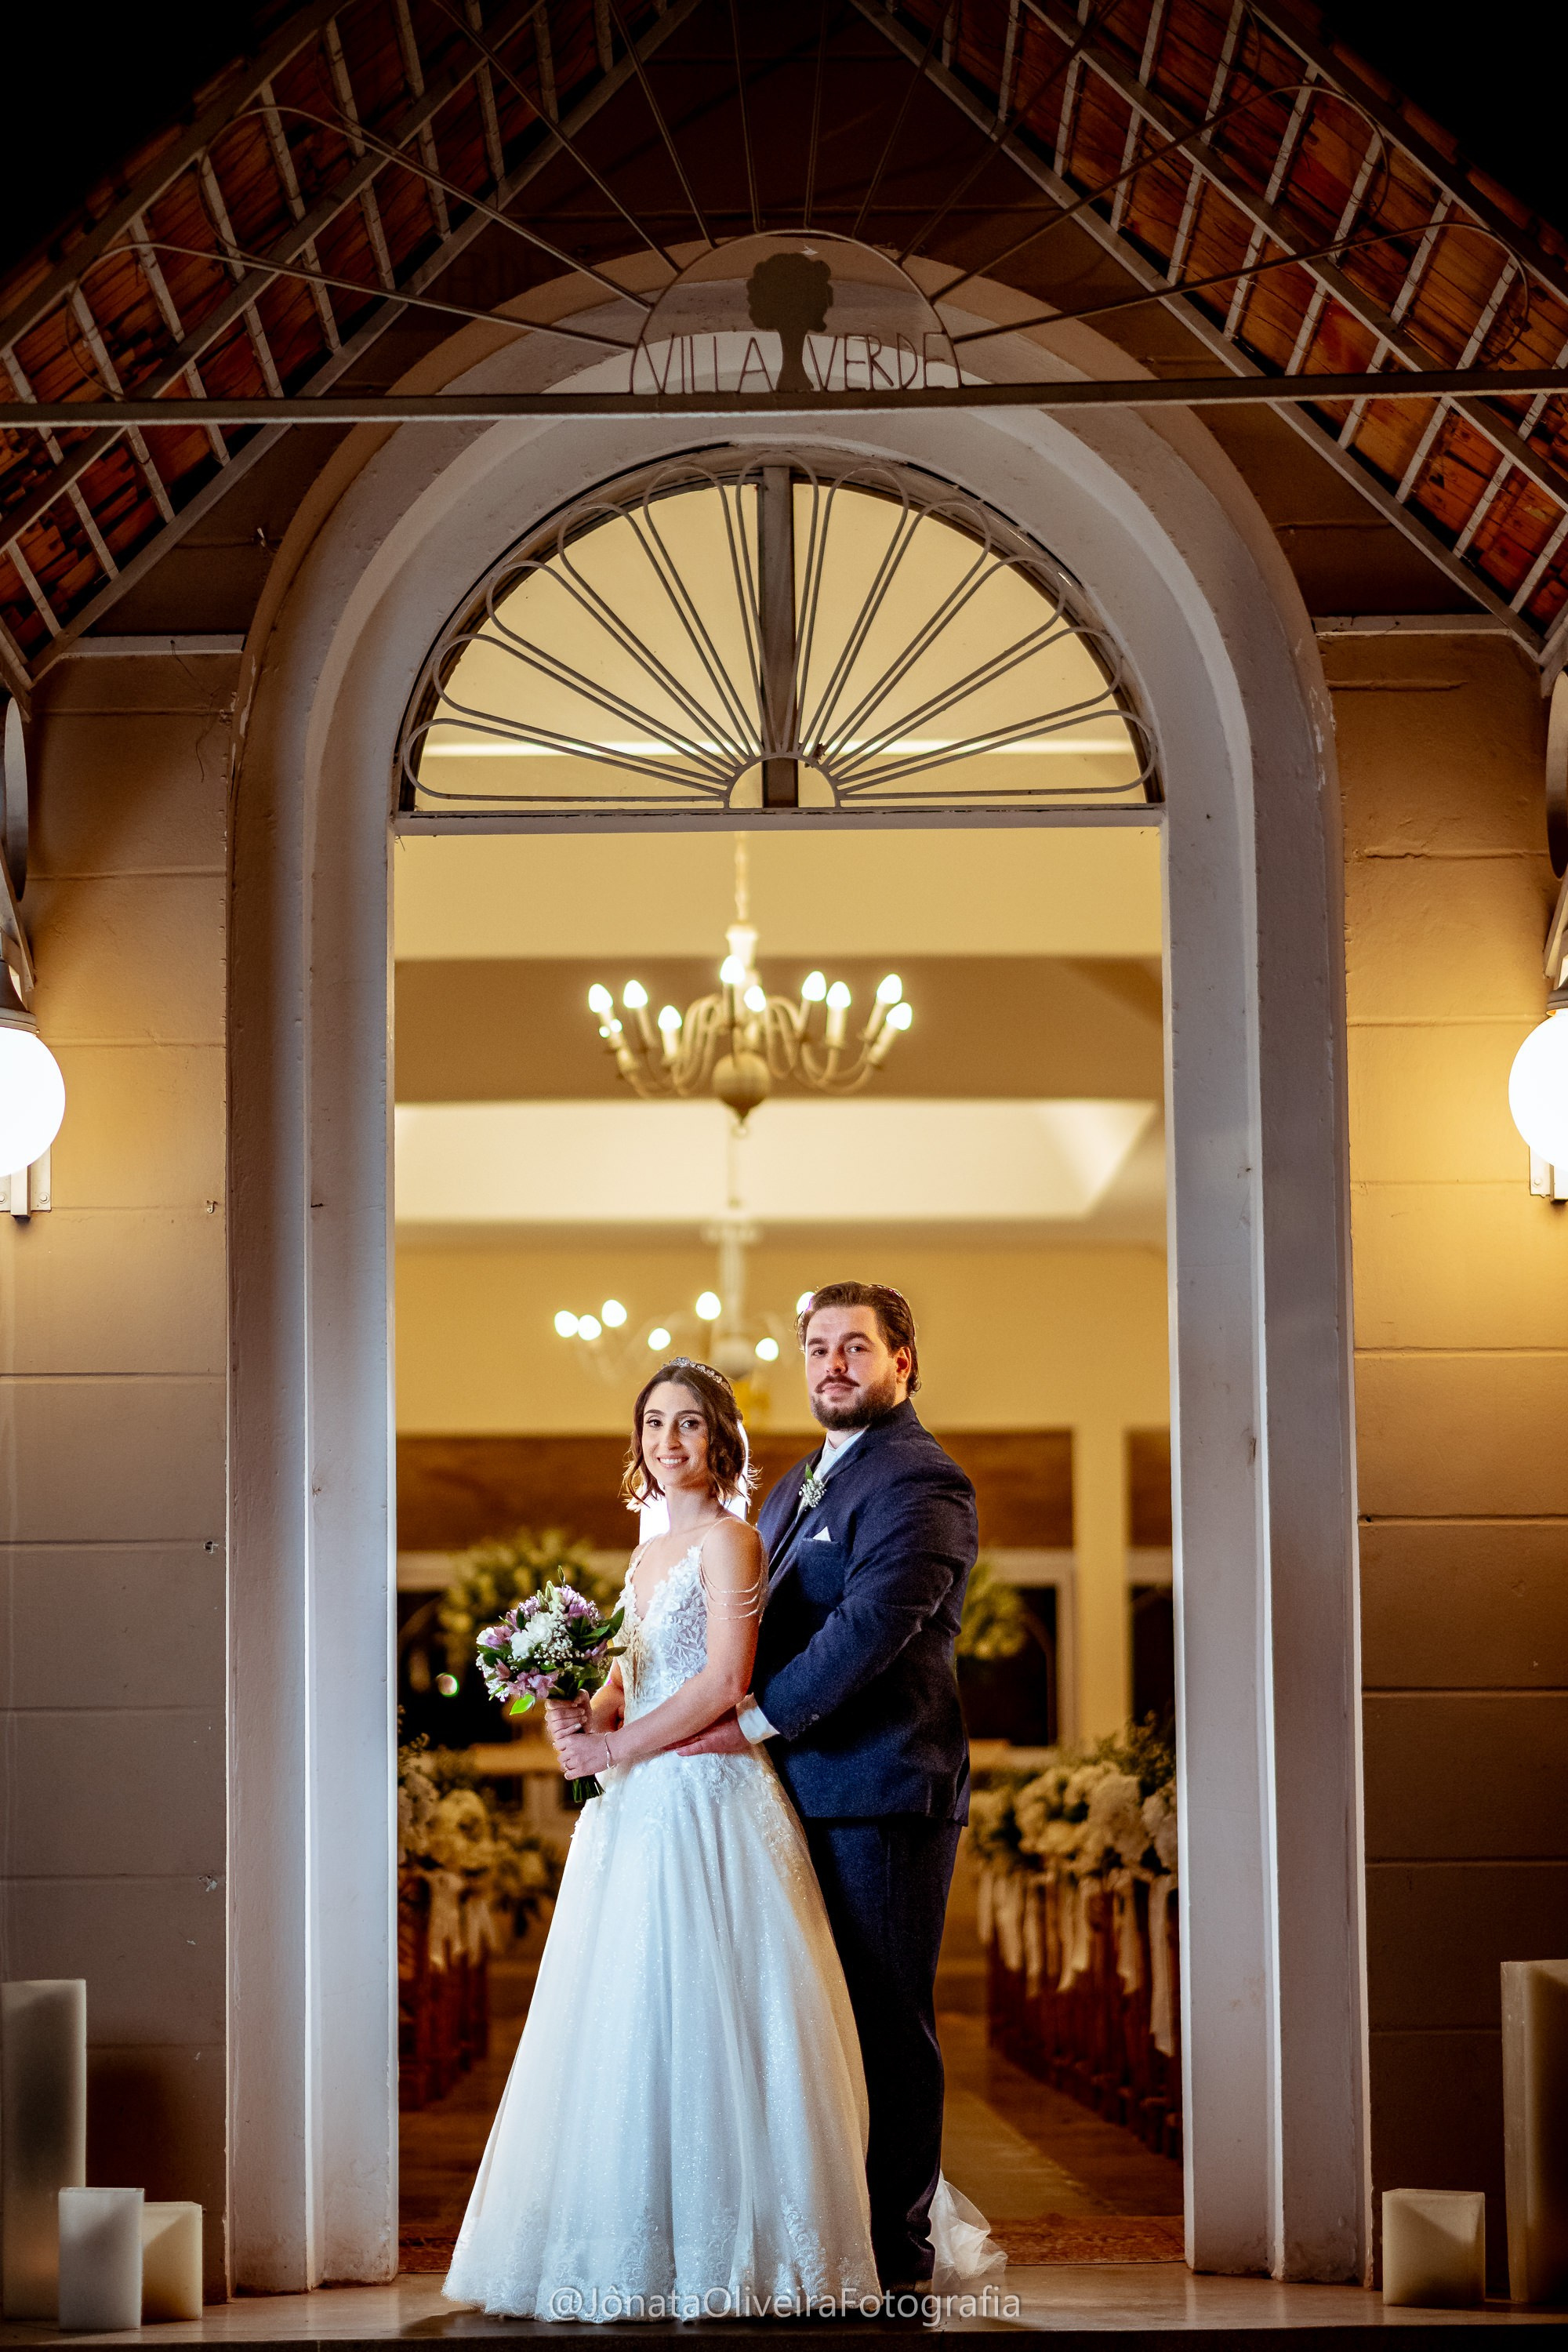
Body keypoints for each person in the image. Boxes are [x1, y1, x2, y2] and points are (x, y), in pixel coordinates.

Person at [441, 1357, 881, 2322]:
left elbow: (724, 1681)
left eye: (687, 1424)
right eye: (652, 1424)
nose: (667, 1442)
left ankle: (740, 2249)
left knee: (718, 2015)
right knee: (625, 2016)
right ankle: (627, 2236)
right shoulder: (642, 1557)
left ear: (719, 1439)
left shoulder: (731, 1543)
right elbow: (634, 1672)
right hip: (635, 1809)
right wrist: (576, 1704)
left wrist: (613, 1746)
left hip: (707, 1802)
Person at [674, 1281, 980, 2289]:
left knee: (884, 2022)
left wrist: (748, 1720)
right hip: (789, 1793)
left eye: (855, 1346)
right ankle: (821, 2237)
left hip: (877, 1794)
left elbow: (869, 1630)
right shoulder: (798, 1479)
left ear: (904, 1362)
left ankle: (897, 2260)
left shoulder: (920, 1482)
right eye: (815, 1348)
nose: (831, 1364)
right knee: (805, 2022)